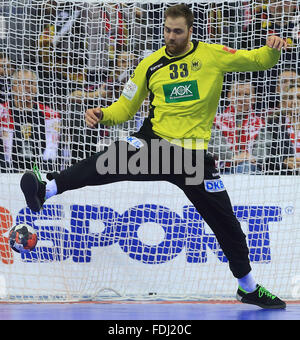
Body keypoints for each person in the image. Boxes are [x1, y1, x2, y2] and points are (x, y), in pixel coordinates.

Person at [20, 4, 286, 309]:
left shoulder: (213, 55)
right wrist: (103, 114)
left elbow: (257, 60)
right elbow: (125, 108)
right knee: (106, 162)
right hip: (155, 144)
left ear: (190, 31)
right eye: (167, 30)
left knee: (229, 227)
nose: (170, 37)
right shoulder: (150, 65)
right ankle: (46, 188)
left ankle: (248, 288)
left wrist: (272, 50)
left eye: (177, 31)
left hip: (192, 158)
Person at [0, 69, 61, 172]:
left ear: (36, 88)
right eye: (21, 82)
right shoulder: (2, 112)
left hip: (40, 171)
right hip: (7, 172)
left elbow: (52, 152)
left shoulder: (50, 115)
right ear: (12, 88)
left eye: (31, 83)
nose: (27, 86)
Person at [210, 81, 264, 174]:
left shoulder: (261, 123)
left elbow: (263, 149)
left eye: (246, 95)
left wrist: (249, 157)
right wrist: (235, 158)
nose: (241, 98)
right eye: (237, 94)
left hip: (250, 166)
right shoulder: (216, 121)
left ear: (254, 98)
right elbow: (214, 147)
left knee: (245, 167)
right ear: (229, 96)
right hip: (221, 167)